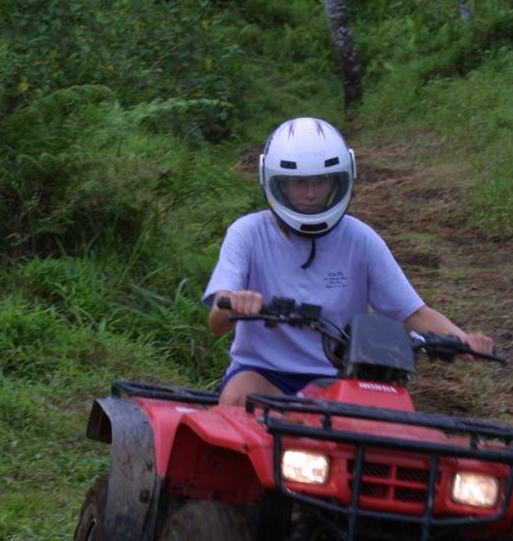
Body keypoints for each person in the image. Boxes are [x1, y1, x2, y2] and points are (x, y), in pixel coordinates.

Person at [203, 117, 494, 406]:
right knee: (238, 397)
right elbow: (217, 321)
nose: (310, 194)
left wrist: (463, 340)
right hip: (264, 373)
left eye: (321, 181)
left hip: (339, 378)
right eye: (298, 182)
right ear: (276, 182)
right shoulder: (248, 233)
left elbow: (413, 313)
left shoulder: (360, 239)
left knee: (388, 418)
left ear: (340, 179)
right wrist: (234, 304)